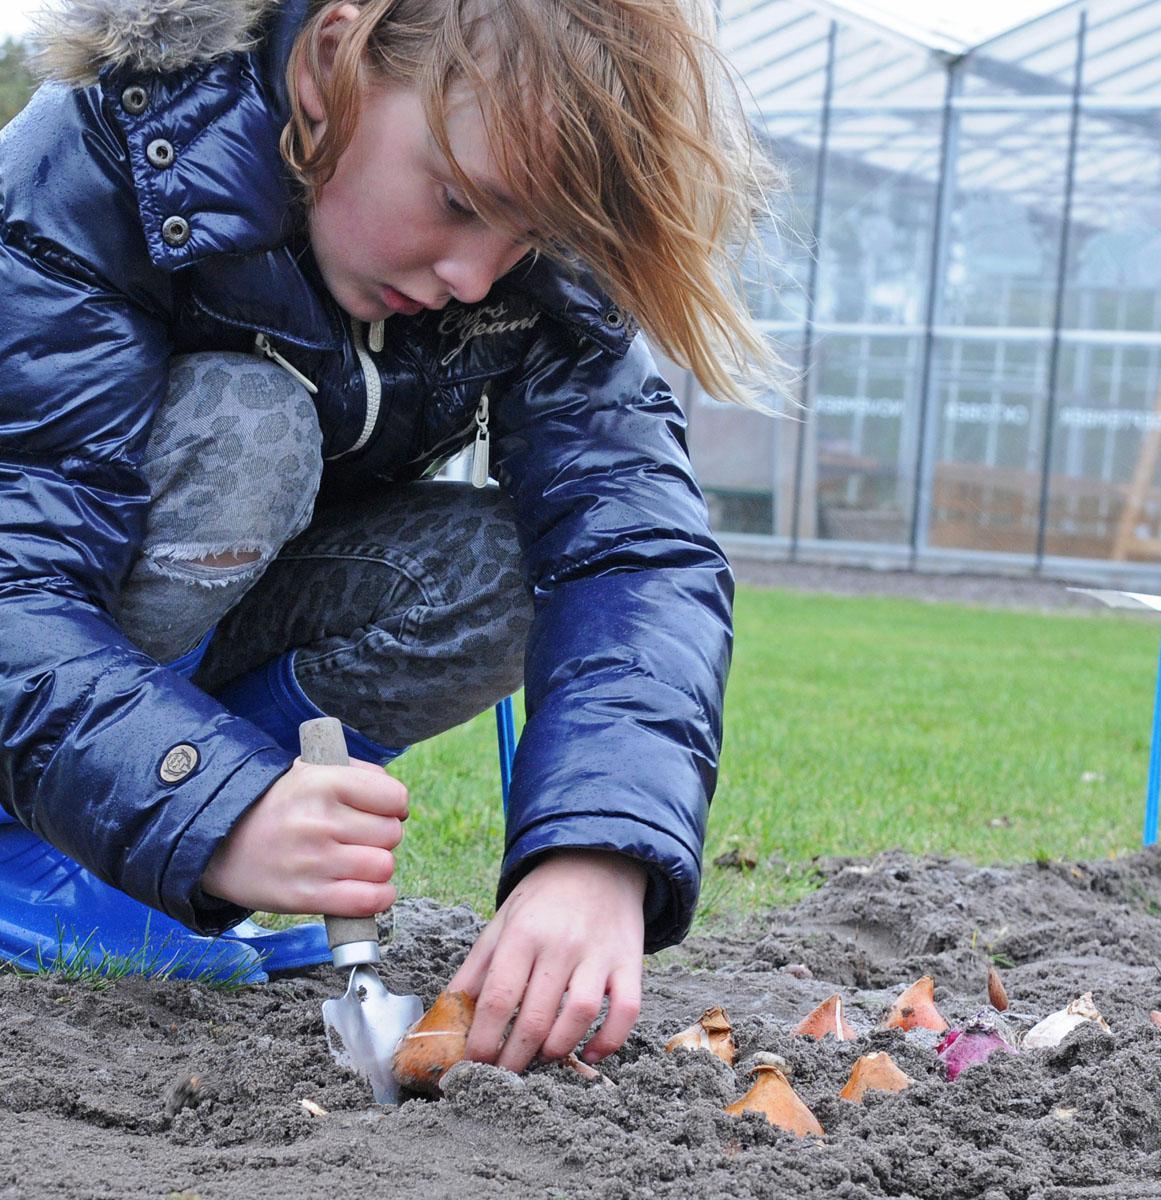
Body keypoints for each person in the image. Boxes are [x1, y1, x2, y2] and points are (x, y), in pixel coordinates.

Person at [0, 0, 778, 1073]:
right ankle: (34, 849)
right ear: (332, 64)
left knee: (504, 580)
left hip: (167, 647)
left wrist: (597, 852)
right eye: (458, 201)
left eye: (525, 236)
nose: (474, 276)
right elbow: (15, 589)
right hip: (36, 632)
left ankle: (200, 838)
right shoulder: (94, 163)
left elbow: (632, 550)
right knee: (251, 432)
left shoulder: (520, 270)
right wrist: (207, 796)